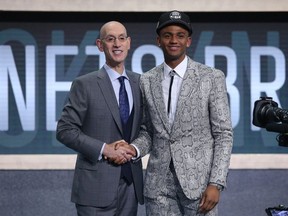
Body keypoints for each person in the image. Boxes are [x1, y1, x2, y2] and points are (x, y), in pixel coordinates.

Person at [122, 10, 233, 215]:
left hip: (199, 187)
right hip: (159, 188)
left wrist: (216, 183)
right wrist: (133, 149)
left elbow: (223, 134)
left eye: (180, 35)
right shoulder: (146, 80)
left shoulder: (211, 77)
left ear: (188, 41)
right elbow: (148, 131)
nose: (174, 40)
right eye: (167, 35)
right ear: (158, 41)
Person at [56, 21, 144, 216]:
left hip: (130, 188)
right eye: (110, 39)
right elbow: (65, 130)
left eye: (122, 38)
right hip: (94, 190)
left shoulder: (141, 83)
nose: (117, 44)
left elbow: (147, 129)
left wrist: (134, 149)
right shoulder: (84, 84)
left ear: (129, 43)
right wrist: (105, 150)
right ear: (100, 45)